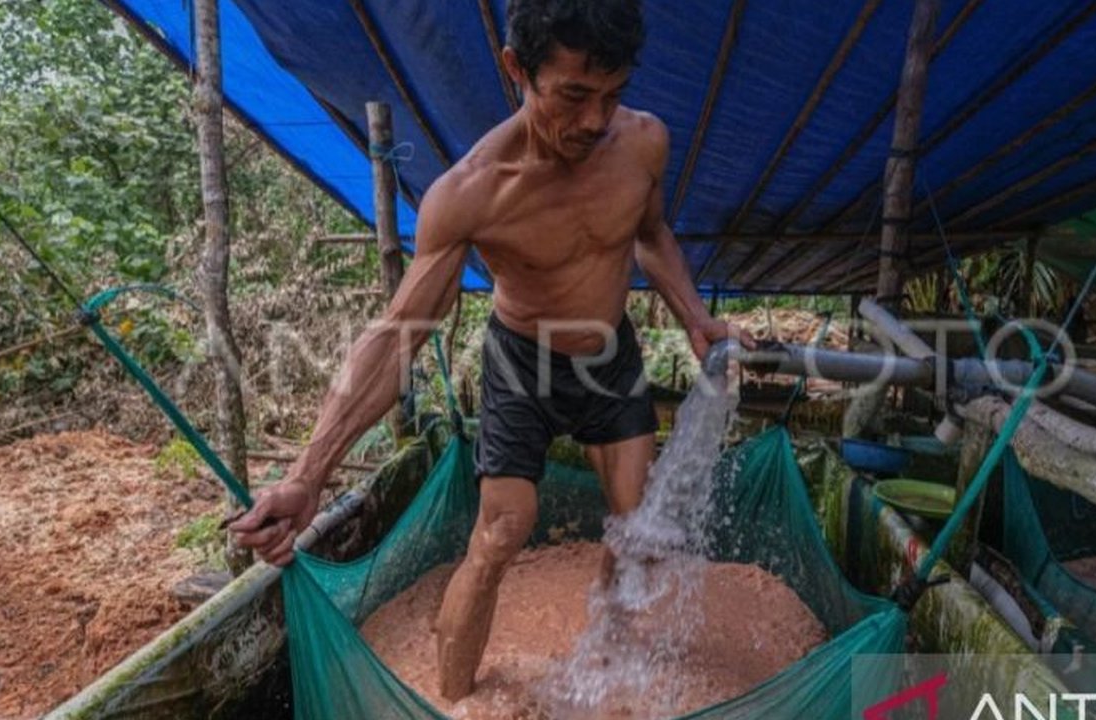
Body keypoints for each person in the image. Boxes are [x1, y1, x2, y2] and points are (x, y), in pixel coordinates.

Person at [231, 0, 751, 701]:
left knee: (638, 526)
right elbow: (399, 332)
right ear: (517, 71)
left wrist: (693, 316)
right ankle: (454, 697)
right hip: (520, 361)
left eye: (612, 95)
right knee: (503, 530)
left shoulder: (644, 142)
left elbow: (651, 235)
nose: (595, 121)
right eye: (572, 94)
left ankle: (608, 654)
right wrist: (308, 473)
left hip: (609, 353)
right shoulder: (471, 193)